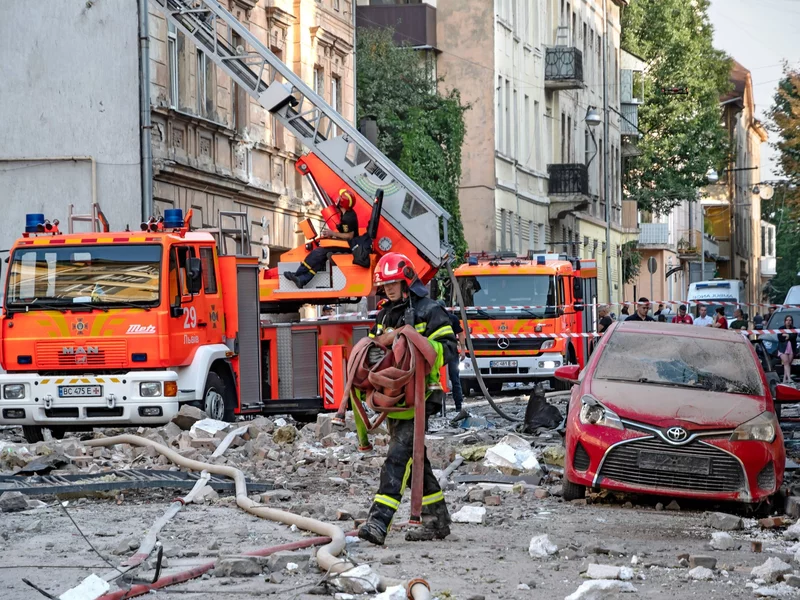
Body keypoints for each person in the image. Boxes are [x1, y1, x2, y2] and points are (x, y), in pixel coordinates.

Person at [358, 252, 457, 545]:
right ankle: (437, 519)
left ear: (408, 281)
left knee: (398, 456)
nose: (388, 289)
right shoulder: (385, 314)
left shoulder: (430, 310)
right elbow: (374, 350)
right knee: (415, 459)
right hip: (393, 396)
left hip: (422, 395)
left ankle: (378, 522)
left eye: (393, 283)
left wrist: (417, 348)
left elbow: (449, 348)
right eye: (384, 285)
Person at [284, 190, 359, 289]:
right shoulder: (347, 214)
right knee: (321, 258)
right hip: (348, 245)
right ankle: (303, 279)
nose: (337, 199)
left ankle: (298, 274)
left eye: (340, 198)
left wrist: (333, 233)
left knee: (319, 252)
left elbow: (349, 235)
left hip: (348, 247)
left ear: (342, 202)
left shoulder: (348, 218)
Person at [439, 300, 468, 423]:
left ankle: (458, 406)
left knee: (455, 379)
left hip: (451, 353)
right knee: (438, 380)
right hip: (439, 353)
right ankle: (439, 408)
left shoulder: (452, 319)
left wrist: (462, 349)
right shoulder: (434, 319)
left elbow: (461, 334)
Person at [778, 315, 797, 384]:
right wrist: (788, 336)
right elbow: (780, 338)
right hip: (782, 348)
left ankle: (784, 379)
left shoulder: (794, 329)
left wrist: (787, 335)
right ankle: (789, 378)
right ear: (785, 321)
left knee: (788, 363)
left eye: (790, 320)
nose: (788, 322)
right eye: (787, 320)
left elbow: (794, 336)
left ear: (792, 321)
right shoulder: (781, 328)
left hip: (791, 348)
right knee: (786, 362)